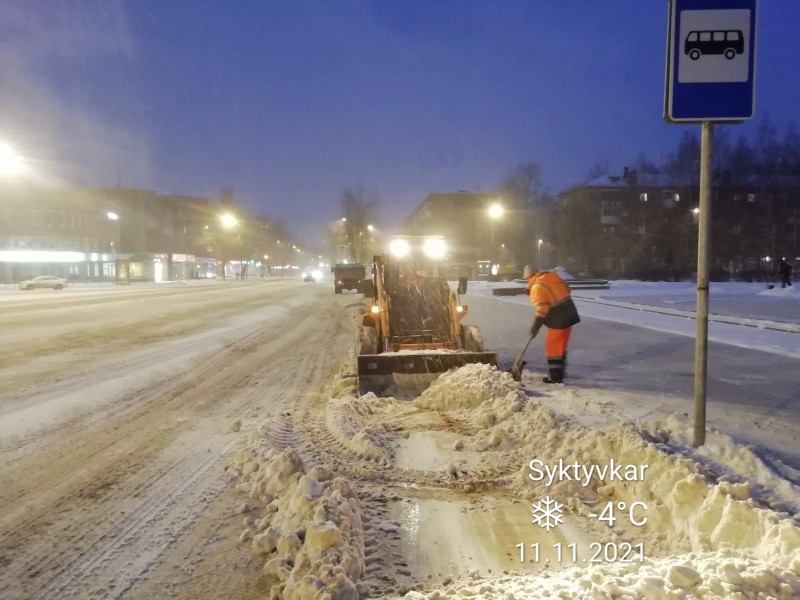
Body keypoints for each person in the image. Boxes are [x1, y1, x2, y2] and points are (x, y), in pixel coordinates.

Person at [524, 265, 581, 384]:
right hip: (570, 315)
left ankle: (555, 378)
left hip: (558, 320)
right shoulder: (552, 277)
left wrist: (535, 328)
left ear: (530, 277)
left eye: (527, 279)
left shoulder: (537, 287)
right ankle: (560, 373)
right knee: (561, 347)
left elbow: (542, 310)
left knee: (553, 348)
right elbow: (567, 289)